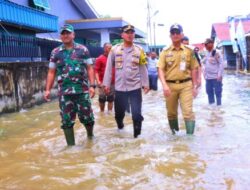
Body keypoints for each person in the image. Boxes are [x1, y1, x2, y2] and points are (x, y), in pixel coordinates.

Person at [44, 24, 95, 146]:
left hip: (82, 91)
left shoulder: (83, 50)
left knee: (88, 118)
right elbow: (51, 72)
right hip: (64, 93)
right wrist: (47, 90)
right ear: (60, 36)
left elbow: (89, 68)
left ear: (73, 34)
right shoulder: (55, 53)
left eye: (68, 33)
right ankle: (71, 147)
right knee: (66, 121)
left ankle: (90, 137)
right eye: (63, 33)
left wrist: (92, 86)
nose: (65, 35)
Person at [103, 24, 149, 138]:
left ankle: (137, 138)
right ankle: (120, 127)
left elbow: (143, 68)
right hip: (120, 88)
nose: (130, 34)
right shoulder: (115, 49)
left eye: (132, 32)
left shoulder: (139, 50)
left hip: (135, 87)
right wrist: (106, 84)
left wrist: (146, 84)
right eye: (127, 32)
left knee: (137, 115)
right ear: (122, 35)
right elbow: (109, 67)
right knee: (119, 114)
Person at [157, 24, 199, 135]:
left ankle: (190, 138)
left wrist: (195, 86)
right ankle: (174, 137)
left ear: (182, 34)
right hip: (170, 86)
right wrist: (164, 85)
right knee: (171, 113)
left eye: (177, 32)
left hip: (186, 85)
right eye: (173, 33)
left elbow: (194, 68)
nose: (175, 35)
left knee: (188, 112)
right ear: (170, 35)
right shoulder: (165, 52)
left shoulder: (189, 51)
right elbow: (160, 69)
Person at [202, 38, 224, 106]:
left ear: (211, 44)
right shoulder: (207, 53)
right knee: (209, 92)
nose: (205, 46)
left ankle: (219, 109)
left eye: (206, 44)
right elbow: (203, 62)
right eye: (205, 44)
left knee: (218, 93)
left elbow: (221, 64)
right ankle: (212, 110)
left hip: (216, 77)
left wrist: (219, 75)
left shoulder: (217, 52)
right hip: (208, 77)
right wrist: (204, 73)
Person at [95, 42, 115, 113]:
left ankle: (110, 113)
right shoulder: (100, 59)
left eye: (111, 47)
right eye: (108, 47)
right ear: (104, 49)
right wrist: (98, 82)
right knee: (102, 99)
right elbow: (96, 71)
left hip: (112, 82)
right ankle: (102, 113)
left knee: (111, 98)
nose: (110, 48)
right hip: (102, 82)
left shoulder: (114, 58)